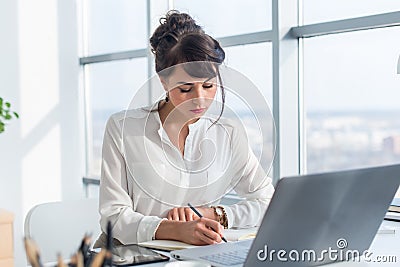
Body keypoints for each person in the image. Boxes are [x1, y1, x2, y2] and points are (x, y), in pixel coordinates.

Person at [95, 10, 274, 247]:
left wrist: (210, 215)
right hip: (132, 256)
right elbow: (113, 215)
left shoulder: (228, 132)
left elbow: (267, 200)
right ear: (164, 82)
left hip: (199, 256)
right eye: (185, 89)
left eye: (209, 86)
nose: (199, 100)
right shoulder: (123, 128)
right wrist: (174, 230)